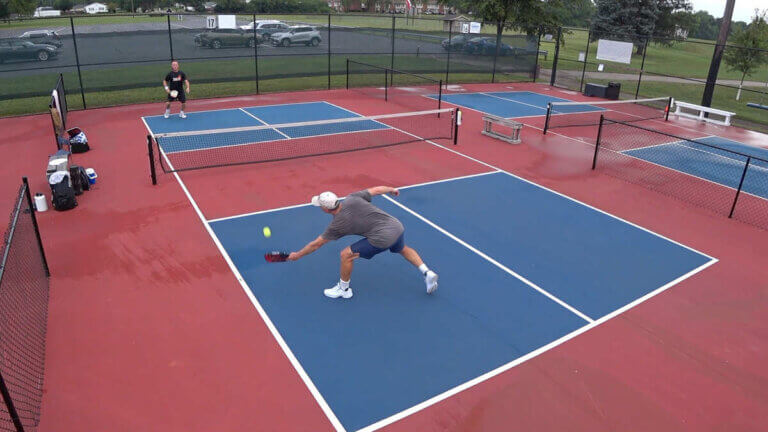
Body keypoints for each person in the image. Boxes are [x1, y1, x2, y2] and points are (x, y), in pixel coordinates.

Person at [288, 187, 438, 299]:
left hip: (382, 236)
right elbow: (376, 189)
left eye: (320, 206)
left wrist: (298, 255)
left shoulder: (337, 225)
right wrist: (391, 189)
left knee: (346, 254)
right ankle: (427, 272)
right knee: (402, 248)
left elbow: (316, 244)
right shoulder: (351, 198)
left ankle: (344, 289)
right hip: (396, 226)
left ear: (326, 209)